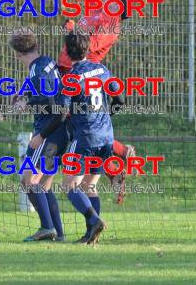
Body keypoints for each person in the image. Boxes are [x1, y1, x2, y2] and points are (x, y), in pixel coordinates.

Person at [32, 32, 124, 244]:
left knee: (70, 185)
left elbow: (62, 113)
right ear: (88, 49)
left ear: (66, 51)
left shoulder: (70, 79)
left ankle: (94, 220)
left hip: (86, 137)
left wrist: (42, 132)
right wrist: (105, 117)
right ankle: (92, 235)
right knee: (89, 186)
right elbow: (119, 99)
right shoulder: (102, 70)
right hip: (107, 137)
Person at [59, 0, 135, 203]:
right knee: (75, 127)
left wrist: (72, 30)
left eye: (114, 1)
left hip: (82, 77)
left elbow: (87, 46)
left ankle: (120, 152)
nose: (109, 0)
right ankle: (117, 156)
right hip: (68, 71)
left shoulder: (110, 29)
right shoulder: (97, 9)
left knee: (75, 124)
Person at [9, 30, 68, 242]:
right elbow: (48, 90)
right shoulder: (47, 62)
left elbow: (51, 103)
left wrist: (40, 134)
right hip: (60, 133)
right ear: (36, 46)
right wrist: (25, 92)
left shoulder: (36, 71)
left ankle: (46, 228)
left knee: (27, 180)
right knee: (43, 185)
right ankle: (58, 233)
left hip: (48, 132)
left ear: (17, 53)